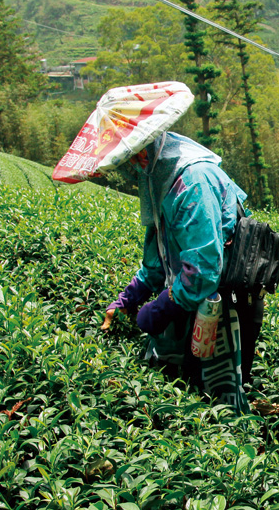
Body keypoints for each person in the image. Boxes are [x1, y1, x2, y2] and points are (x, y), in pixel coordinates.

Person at [100, 131, 257, 413]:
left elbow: (204, 271)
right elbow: (157, 258)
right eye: (129, 157)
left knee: (215, 403)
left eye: (139, 152)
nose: (136, 161)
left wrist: (162, 307)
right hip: (193, 300)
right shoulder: (159, 181)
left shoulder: (192, 183)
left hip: (221, 304)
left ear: (155, 145)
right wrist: (128, 299)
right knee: (183, 393)